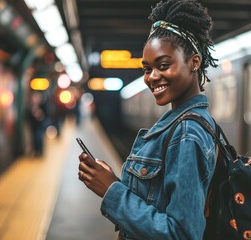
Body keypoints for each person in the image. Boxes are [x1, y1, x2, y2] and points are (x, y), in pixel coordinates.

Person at [78, 0, 218, 239]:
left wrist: (112, 190)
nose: (152, 77)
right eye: (146, 69)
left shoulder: (187, 133)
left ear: (194, 62)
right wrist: (113, 182)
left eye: (163, 65)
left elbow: (181, 234)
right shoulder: (184, 123)